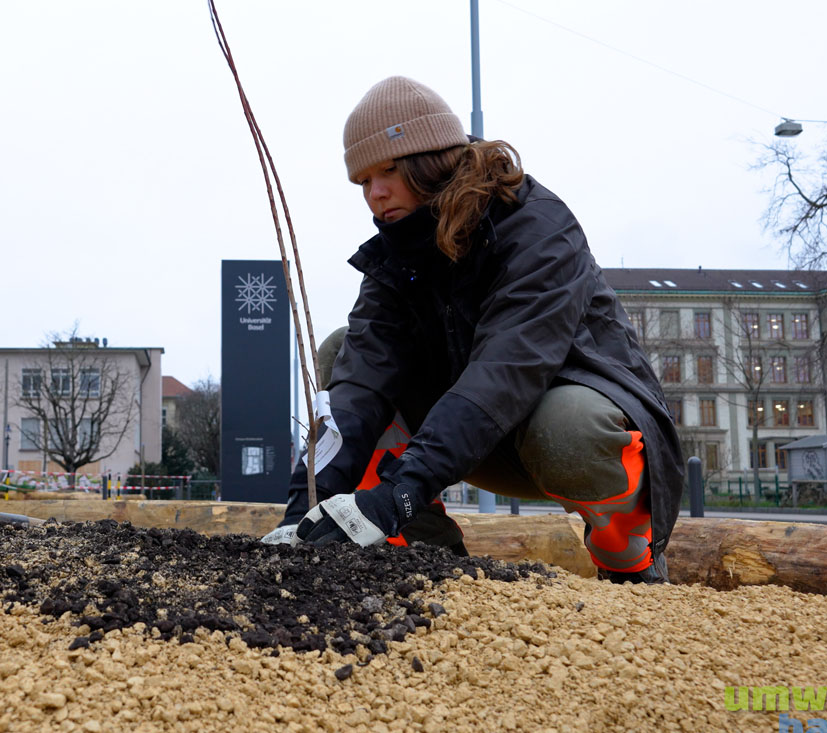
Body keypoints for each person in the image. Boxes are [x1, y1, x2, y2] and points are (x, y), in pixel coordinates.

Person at [273, 76, 683, 583]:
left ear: (430, 160)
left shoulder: (535, 227)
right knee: (342, 352)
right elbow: (359, 384)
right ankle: (428, 559)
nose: (376, 194)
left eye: (389, 170)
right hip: (468, 443)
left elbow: (502, 374)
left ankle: (632, 562)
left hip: (555, 432)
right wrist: (298, 513)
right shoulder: (398, 256)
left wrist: (398, 493)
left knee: (569, 427)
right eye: (362, 182)